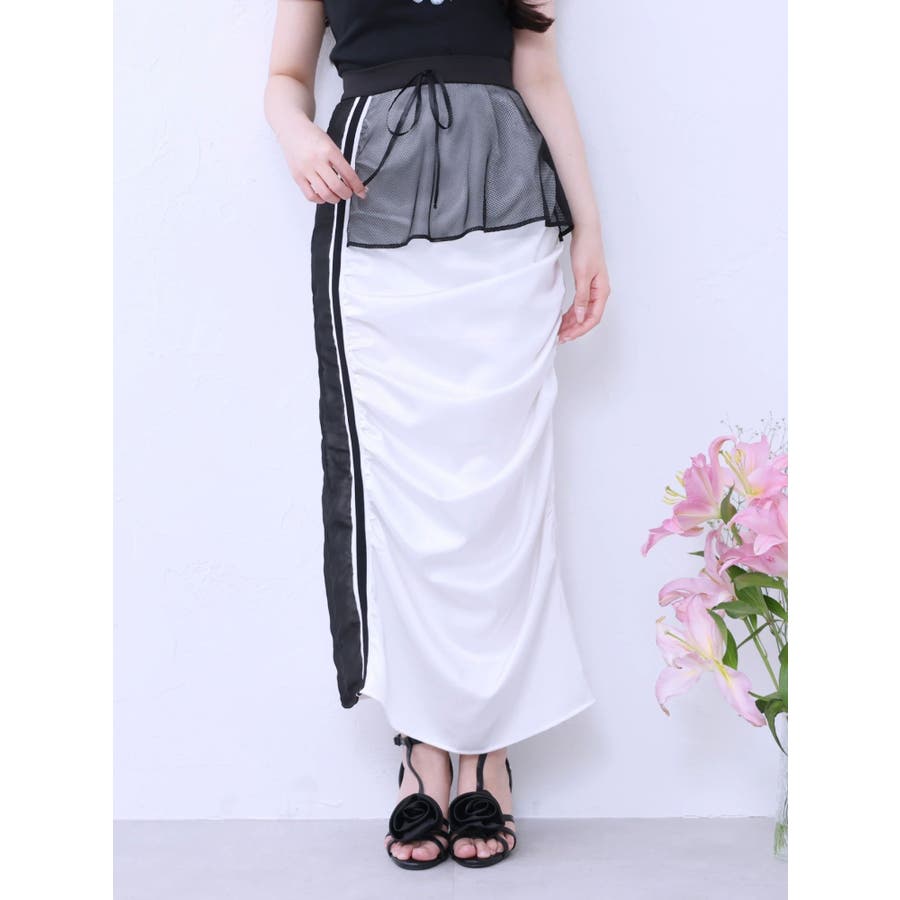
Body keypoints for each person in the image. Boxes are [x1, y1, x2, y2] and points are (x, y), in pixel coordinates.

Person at [264, 0, 611, 869]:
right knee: (401, 498)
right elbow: (284, 77)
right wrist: (296, 133)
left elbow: (540, 75)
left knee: (503, 496)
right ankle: (423, 749)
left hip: (509, 228)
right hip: (374, 229)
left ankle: (489, 752)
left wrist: (591, 230)